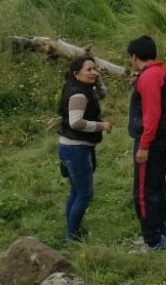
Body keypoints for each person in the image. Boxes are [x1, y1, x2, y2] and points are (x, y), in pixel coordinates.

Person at [128, 35, 166, 251]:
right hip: (165, 136)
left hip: (152, 139)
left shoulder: (148, 78)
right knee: (158, 185)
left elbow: (152, 114)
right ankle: (159, 229)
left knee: (144, 190)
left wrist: (144, 146)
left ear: (134, 56)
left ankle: (151, 241)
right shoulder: (165, 72)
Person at [58, 57, 113, 243]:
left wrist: (98, 79)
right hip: (76, 149)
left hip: (73, 147)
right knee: (84, 194)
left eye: (95, 68)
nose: (94, 72)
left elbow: (101, 95)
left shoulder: (81, 88)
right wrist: (101, 126)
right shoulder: (78, 95)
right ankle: (72, 237)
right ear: (76, 73)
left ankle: (73, 230)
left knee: (76, 192)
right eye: (89, 69)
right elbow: (76, 123)